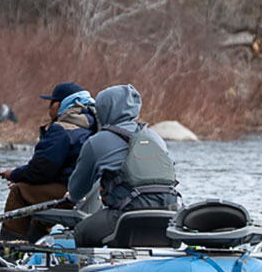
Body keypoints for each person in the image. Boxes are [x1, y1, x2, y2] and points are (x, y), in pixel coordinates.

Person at [65, 84, 179, 247]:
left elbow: (77, 191)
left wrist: (72, 197)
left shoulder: (96, 141)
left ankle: (91, 263)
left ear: (103, 110)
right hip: (168, 213)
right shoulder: (155, 138)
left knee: (82, 231)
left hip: (126, 216)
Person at [0, 82, 96, 242]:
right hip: (94, 196)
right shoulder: (93, 124)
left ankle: (9, 245)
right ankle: (35, 239)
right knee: (38, 193)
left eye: (52, 102)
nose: (49, 107)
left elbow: (40, 170)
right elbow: (58, 169)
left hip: (73, 194)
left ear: (63, 104)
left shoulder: (62, 129)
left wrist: (14, 174)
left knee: (20, 191)